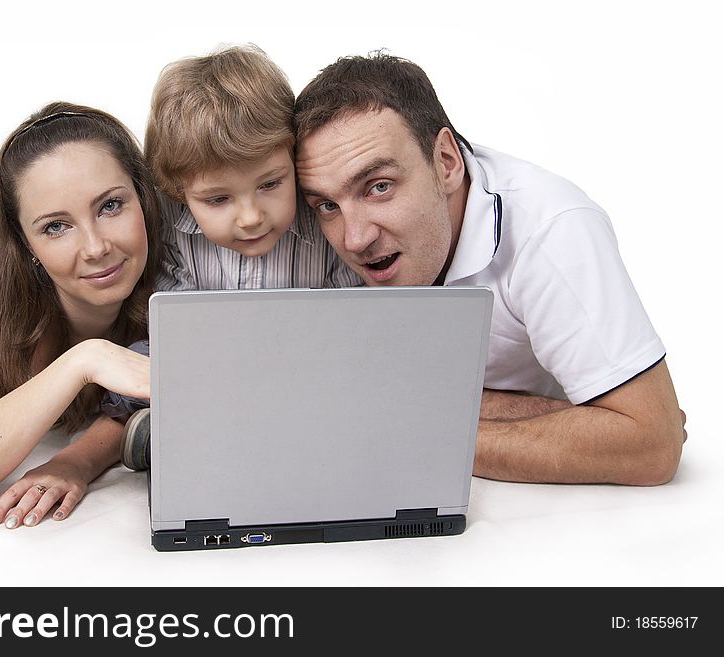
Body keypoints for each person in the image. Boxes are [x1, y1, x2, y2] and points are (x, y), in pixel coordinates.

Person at [293, 52, 685, 486]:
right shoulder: (309, 231)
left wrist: (413, 432)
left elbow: (651, 444)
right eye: (327, 205)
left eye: (379, 187)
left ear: (445, 161)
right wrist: (557, 417)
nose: (354, 239)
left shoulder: (553, 227)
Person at [105, 45, 362, 469]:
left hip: (309, 361)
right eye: (218, 199)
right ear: (178, 192)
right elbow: (174, 322)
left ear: (294, 159)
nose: (250, 218)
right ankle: (176, 427)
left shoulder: (324, 218)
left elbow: (351, 320)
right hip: (210, 364)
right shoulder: (169, 223)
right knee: (143, 357)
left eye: (271, 184)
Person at [0, 102, 160, 528]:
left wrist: (77, 461)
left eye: (111, 206)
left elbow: (144, 405)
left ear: (143, 196)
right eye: (55, 227)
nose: (96, 247)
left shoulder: (180, 271)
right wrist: (85, 361)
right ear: (25, 244)